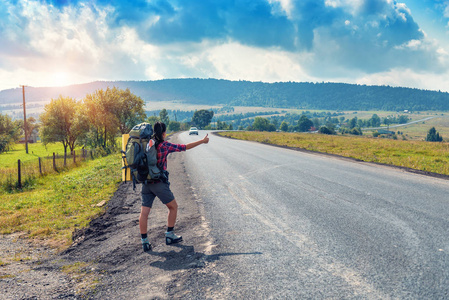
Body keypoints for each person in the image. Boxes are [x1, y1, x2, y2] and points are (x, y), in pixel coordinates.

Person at [139, 122, 209, 252]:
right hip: (159, 183)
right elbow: (184, 147)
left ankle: (144, 242)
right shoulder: (164, 145)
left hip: (146, 183)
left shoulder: (147, 144)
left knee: (144, 213)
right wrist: (202, 141)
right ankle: (170, 235)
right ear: (164, 133)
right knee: (173, 207)